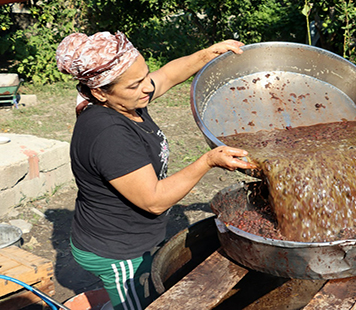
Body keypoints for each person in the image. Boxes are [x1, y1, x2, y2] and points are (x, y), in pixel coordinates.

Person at [56, 31, 257, 310]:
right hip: (116, 251)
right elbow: (153, 200)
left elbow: (167, 75)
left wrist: (209, 53)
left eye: (144, 76)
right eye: (135, 85)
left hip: (132, 238)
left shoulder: (127, 100)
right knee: (138, 305)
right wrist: (207, 161)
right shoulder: (108, 133)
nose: (147, 88)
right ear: (100, 92)